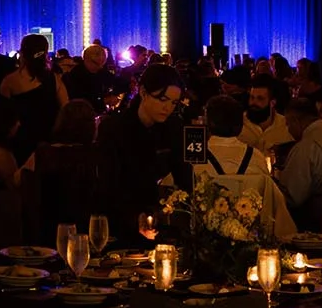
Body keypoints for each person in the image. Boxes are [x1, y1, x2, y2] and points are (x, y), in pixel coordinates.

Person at [95, 64, 187, 233]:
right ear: (143, 93)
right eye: (162, 99)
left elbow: (183, 175)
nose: (168, 108)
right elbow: (109, 185)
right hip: (120, 220)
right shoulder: (114, 128)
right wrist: (133, 216)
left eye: (174, 103)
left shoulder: (173, 127)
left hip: (160, 217)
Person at [195, 95, 296, 240]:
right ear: (241, 126)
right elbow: (271, 197)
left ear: (207, 123)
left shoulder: (195, 157)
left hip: (202, 237)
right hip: (250, 237)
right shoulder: (255, 156)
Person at [0, 32, 66, 162]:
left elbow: (3, 118)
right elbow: (65, 110)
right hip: (48, 140)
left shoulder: (10, 81)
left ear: (23, 52)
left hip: (21, 142)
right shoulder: (54, 79)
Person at [240, 77, 291, 153]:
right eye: (252, 97)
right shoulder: (239, 123)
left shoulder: (285, 126)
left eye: (260, 99)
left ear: (272, 103)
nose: (254, 103)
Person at [63, 43, 119, 108]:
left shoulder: (100, 71)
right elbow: (80, 101)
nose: (101, 67)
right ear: (89, 60)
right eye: (99, 64)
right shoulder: (76, 75)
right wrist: (104, 101)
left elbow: (114, 81)